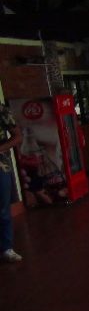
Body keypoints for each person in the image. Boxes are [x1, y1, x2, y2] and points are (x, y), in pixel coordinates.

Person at [0, 103, 22, 263]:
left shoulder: (1, 109)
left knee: (2, 208)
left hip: (1, 166)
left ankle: (6, 248)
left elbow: (17, 136)